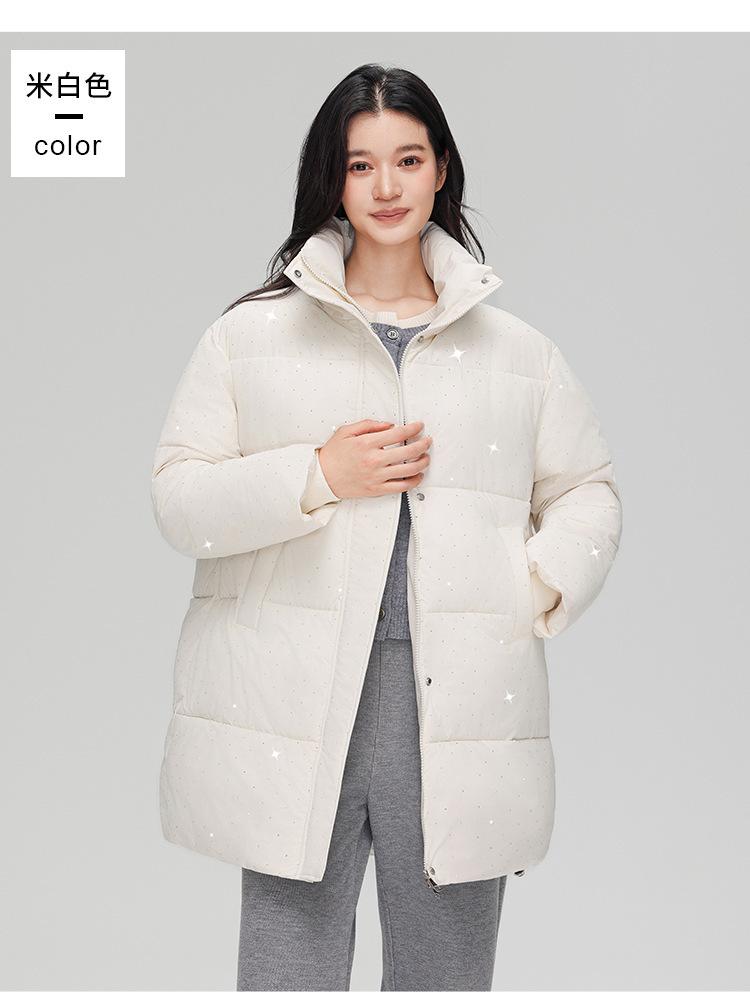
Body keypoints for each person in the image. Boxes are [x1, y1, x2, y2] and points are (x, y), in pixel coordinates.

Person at [150, 64, 623, 992]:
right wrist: (318, 475)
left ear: (441, 168)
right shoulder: (250, 338)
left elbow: (589, 490)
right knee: (286, 976)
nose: (387, 187)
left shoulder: (519, 354)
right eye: (361, 165)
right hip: (296, 697)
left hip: (454, 703)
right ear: (333, 180)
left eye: (408, 159)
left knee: (445, 978)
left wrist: (526, 585)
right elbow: (179, 497)